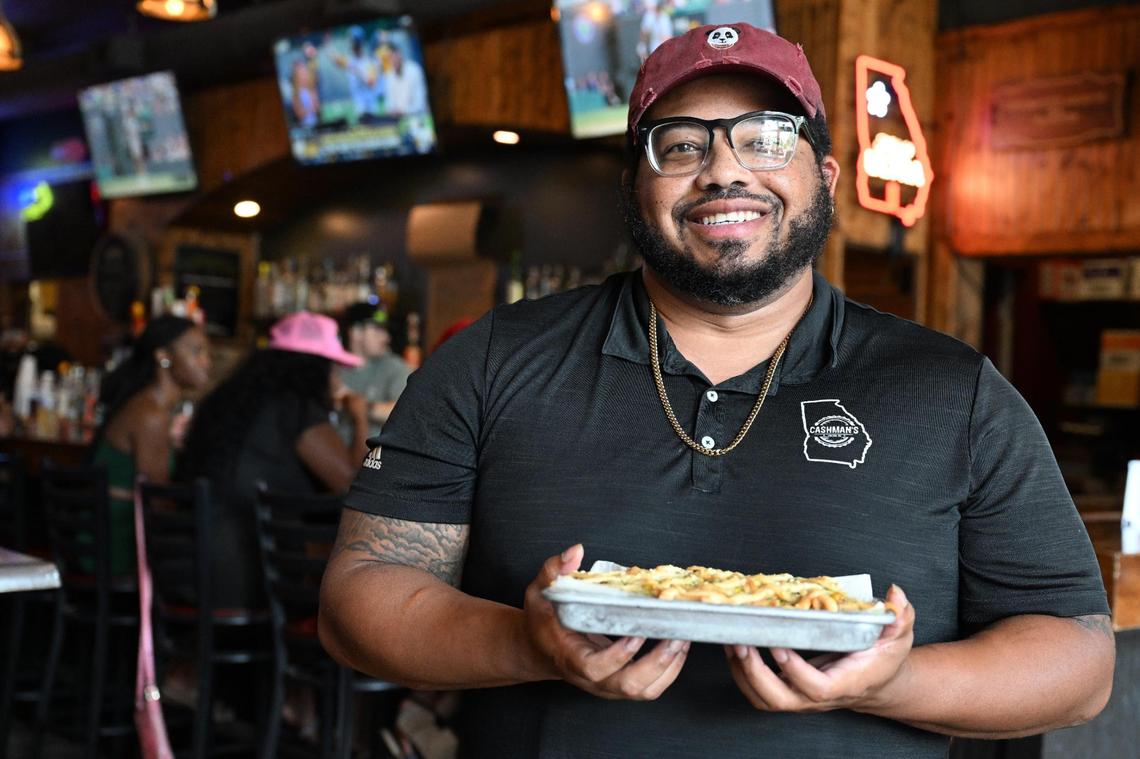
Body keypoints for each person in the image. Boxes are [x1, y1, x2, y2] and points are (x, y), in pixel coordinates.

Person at [319, 23, 1114, 759]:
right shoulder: (493, 359)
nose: (726, 169)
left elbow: (1079, 662)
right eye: (680, 144)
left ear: (826, 177)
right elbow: (359, 596)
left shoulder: (955, 392)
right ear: (635, 185)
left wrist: (891, 681)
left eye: (768, 139)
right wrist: (527, 646)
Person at [177, 311, 367, 610]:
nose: (337, 378)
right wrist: (360, 420)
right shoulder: (297, 408)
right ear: (314, 368)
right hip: (255, 583)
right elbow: (353, 484)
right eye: (333, 368)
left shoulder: (229, 399)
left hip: (195, 569)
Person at [91, 315, 210, 574]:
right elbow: (159, 502)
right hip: (119, 544)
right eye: (196, 351)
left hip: (108, 533)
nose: (206, 361)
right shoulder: (151, 415)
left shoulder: (149, 406)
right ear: (163, 356)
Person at [339, 303, 411, 439]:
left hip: (376, 458)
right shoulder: (333, 369)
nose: (386, 337)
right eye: (378, 329)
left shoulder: (394, 367)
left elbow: (407, 414)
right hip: (332, 456)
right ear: (356, 332)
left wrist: (361, 406)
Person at [382, 44, 427, 116]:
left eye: (392, 56)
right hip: (397, 119)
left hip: (417, 117)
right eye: (387, 58)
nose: (391, 61)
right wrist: (392, 111)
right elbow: (389, 104)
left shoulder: (414, 70)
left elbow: (419, 104)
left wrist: (403, 111)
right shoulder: (389, 76)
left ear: (399, 54)